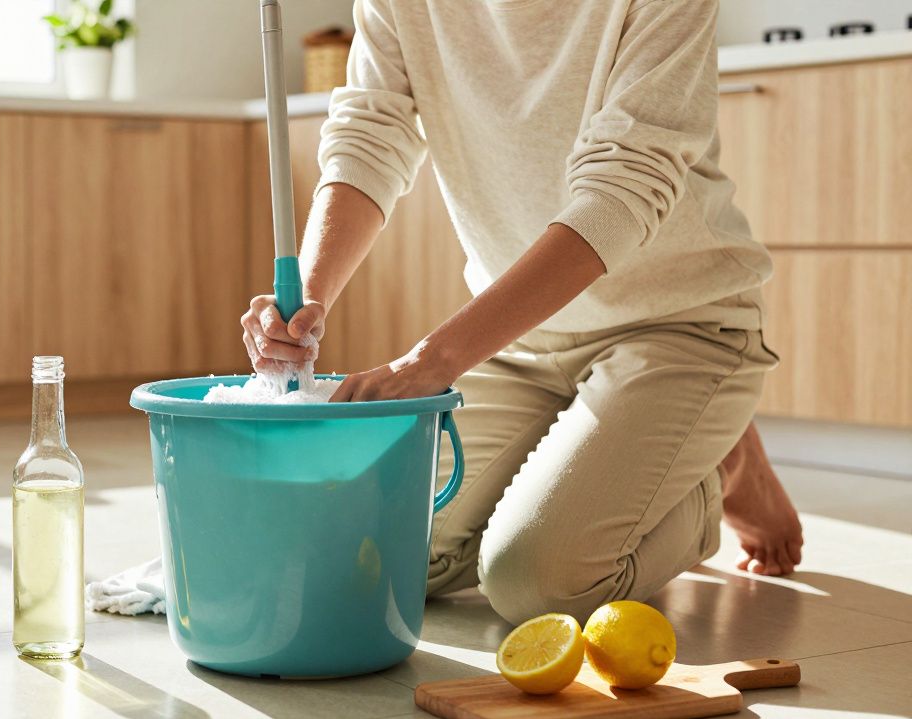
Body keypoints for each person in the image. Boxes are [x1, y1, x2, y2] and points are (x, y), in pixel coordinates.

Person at [239, 0, 804, 624]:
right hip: (524, 339)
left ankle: (714, 472)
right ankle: (643, 440)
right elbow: (371, 137)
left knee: (536, 585)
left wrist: (433, 361)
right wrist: (308, 298)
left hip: (678, 322)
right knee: (369, 549)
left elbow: (624, 185)